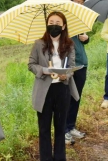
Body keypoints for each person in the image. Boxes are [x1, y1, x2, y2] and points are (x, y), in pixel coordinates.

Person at [28, 11, 80, 161]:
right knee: (44, 128)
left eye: (57, 23)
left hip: (62, 90)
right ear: (47, 25)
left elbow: (71, 66)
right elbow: (31, 64)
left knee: (60, 128)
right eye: (51, 23)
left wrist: (66, 75)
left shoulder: (69, 44)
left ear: (63, 26)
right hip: (44, 91)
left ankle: (59, 158)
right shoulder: (39, 44)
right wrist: (44, 70)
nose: (54, 26)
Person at [65, 0, 89, 144]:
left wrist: (86, 38)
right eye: (78, 2)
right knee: (66, 98)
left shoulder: (80, 18)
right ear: (70, 1)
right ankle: (64, 130)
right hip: (68, 65)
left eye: (82, 3)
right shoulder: (62, 19)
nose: (80, 5)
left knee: (76, 97)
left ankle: (71, 126)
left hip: (82, 62)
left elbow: (84, 39)